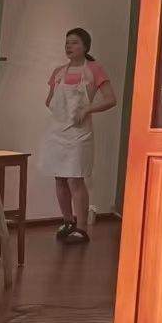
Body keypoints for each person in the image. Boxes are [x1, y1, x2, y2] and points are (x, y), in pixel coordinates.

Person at [41, 27, 115, 245]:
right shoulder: (58, 72)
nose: (69, 46)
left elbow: (110, 99)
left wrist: (87, 109)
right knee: (59, 177)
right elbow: (49, 100)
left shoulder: (94, 70)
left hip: (79, 134)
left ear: (85, 46)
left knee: (75, 178)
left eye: (74, 43)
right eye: (67, 43)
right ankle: (67, 221)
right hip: (57, 133)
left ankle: (81, 227)